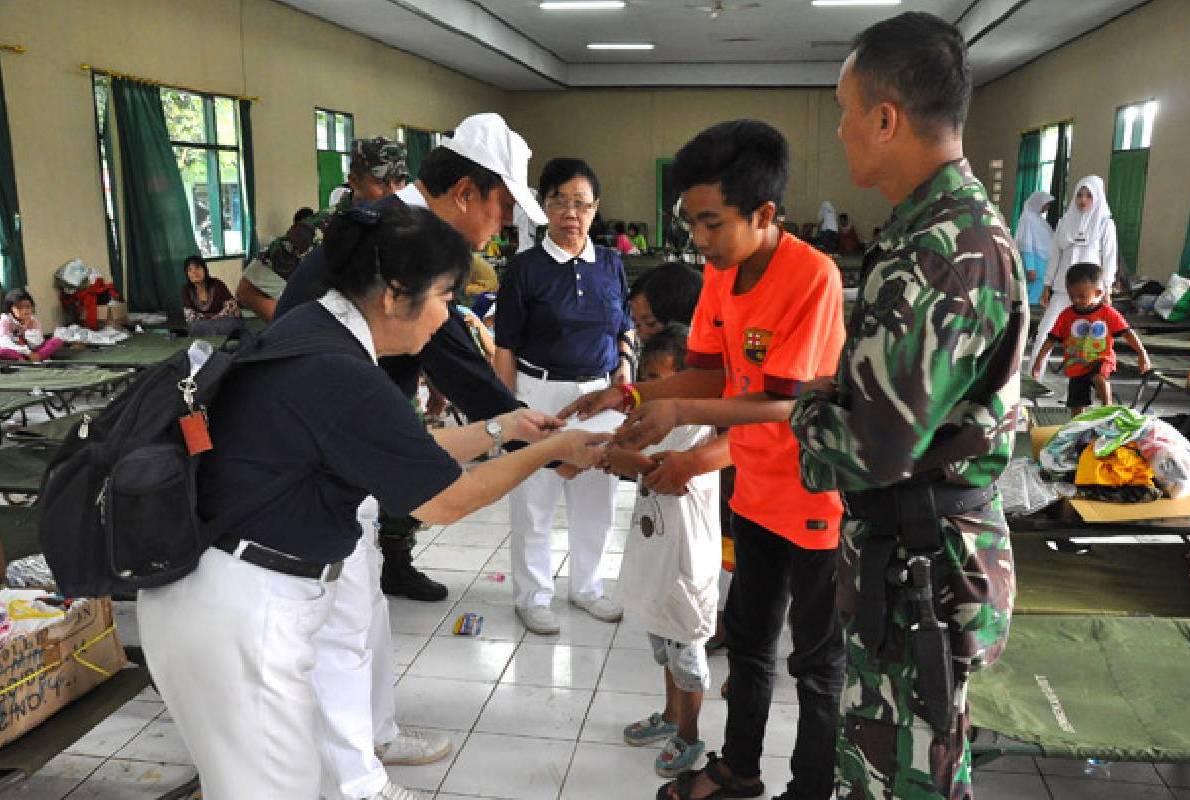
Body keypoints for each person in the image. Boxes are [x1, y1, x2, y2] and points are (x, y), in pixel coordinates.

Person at [137, 203, 608, 800]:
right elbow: (446, 500)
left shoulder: (318, 329)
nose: (447, 319)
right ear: (393, 294)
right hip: (239, 607)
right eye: (442, 298)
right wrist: (554, 448)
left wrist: (504, 427)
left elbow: (396, 449)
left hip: (231, 589)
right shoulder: (339, 371)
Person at [563, 119, 847, 800]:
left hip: (815, 500)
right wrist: (630, 391)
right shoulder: (720, 274)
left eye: (712, 222)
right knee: (747, 644)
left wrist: (677, 414)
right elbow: (711, 377)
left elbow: (785, 405)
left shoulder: (812, 278)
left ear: (764, 213)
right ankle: (737, 770)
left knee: (814, 662)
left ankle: (812, 786)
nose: (698, 239)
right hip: (753, 490)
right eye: (690, 222)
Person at [274, 114, 549, 800]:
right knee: (340, 619)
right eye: (502, 207)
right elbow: (453, 366)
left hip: (350, 437)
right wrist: (540, 444)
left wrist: (522, 430)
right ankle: (354, 779)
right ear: (464, 192)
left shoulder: (405, 230)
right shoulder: (394, 239)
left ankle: (375, 733)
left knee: (362, 605)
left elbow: (451, 356)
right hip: (316, 455)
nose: (503, 227)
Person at [790, 13, 1025, 799]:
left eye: (844, 108)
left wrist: (807, 409)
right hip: (906, 557)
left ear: (885, 118)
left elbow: (870, 444)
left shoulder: (941, 253)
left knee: (903, 781)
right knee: (882, 769)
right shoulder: (932, 230)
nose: (841, 127)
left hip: (923, 567)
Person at [493, 157, 634, 634]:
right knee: (535, 495)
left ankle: (587, 587)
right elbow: (506, 345)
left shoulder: (611, 263)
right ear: (543, 206)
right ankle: (532, 596)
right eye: (559, 202)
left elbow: (625, 330)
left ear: (595, 209)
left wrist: (625, 383)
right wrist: (507, 410)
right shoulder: (525, 269)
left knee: (598, 494)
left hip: (600, 395)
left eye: (581, 203)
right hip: (539, 392)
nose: (571, 213)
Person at [610, 323, 730, 779]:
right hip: (656, 552)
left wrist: (616, 453)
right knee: (663, 635)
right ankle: (670, 714)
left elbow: (658, 468)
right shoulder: (657, 418)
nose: (656, 391)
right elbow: (626, 446)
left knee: (686, 649)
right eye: (650, 380)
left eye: (664, 381)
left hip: (686, 557)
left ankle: (690, 733)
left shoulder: (693, 426)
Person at [237, 138, 409, 321]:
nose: (393, 192)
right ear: (353, 181)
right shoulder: (315, 231)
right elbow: (249, 291)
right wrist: (299, 333)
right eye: (381, 183)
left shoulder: (409, 226)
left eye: (399, 181)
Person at [1031, 262, 1151, 416]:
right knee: (1077, 404)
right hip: (1076, 364)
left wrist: (1142, 353)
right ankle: (1079, 427)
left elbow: (1128, 333)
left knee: (1098, 376)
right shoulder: (1066, 315)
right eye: (1071, 296)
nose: (1076, 300)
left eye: (1081, 296)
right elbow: (1051, 340)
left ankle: (1107, 408)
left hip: (1101, 358)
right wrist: (1039, 361)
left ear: (1098, 292)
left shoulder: (1108, 313)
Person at [1030, 175, 1118, 368]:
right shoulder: (1064, 222)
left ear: (1098, 198)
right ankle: (1034, 374)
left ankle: (1085, 383)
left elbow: (1109, 259)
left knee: (1089, 339)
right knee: (1045, 331)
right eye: (1079, 195)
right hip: (1063, 287)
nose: (1083, 200)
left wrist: (1107, 290)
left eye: (1089, 196)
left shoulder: (1105, 224)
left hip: (1091, 290)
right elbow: (1055, 256)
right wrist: (1047, 284)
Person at [180, 256, 240, 335]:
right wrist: (209, 320)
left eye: (197, 268)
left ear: (204, 270)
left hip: (223, 321)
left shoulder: (217, 284)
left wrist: (216, 318)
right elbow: (189, 315)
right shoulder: (186, 290)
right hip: (202, 324)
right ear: (187, 274)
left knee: (228, 324)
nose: (194, 272)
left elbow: (231, 306)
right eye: (190, 270)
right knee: (194, 327)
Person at [0, 289, 63, 361]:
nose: (25, 310)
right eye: (20, 307)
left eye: (28, 306)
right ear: (11, 309)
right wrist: (27, 352)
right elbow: (4, 342)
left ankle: (37, 358)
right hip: (16, 350)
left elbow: (37, 343)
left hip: (33, 351)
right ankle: (23, 359)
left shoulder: (33, 320)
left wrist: (27, 329)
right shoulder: (5, 320)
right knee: (2, 351)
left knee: (57, 341)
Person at [1015, 191, 1054, 306]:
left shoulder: (1039, 220)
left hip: (1043, 263)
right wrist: (1030, 267)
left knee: (1039, 292)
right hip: (1034, 264)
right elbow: (1026, 245)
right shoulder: (1027, 219)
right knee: (1031, 296)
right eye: (1046, 204)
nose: (1048, 207)